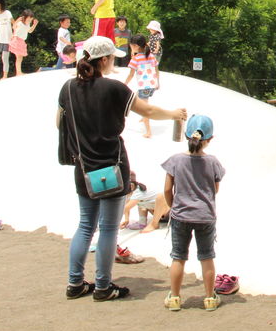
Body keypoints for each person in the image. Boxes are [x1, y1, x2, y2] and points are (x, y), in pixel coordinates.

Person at [59, 36, 186, 302]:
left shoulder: (68, 88)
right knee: (107, 228)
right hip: (112, 167)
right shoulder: (114, 89)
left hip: (83, 168)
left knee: (85, 226)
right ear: (103, 60)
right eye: (112, 58)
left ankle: (75, 283)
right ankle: (103, 286)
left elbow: (59, 124)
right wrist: (174, 114)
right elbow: (148, 110)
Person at [162, 114, 225, 312]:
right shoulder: (213, 162)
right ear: (210, 139)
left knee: (178, 257)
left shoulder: (175, 160)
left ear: (186, 135)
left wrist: (173, 206)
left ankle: (174, 297)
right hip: (205, 215)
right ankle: (209, 298)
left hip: (181, 215)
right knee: (206, 257)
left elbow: (166, 189)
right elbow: (215, 189)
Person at [124, 34, 160, 138]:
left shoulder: (136, 59)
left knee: (144, 108)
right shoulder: (151, 56)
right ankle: (143, 118)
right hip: (152, 85)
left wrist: (124, 84)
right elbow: (157, 71)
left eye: (131, 45)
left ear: (135, 46)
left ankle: (148, 131)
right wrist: (158, 83)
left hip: (144, 86)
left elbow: (131, 75)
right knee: (141, 100)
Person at [7, 10, 38, 76]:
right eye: (29, 19)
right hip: (17, 40)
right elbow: (14, 27)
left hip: (22, 41)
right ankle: (18, 72)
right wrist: (17, 20)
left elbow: (30, 31)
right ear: (24, 17)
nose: (30, 20)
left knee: (20, 58)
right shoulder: (20, 23)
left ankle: (18, 72)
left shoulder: (28, 24)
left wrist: (34, 24)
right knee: (19, 57)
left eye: (31, 19)